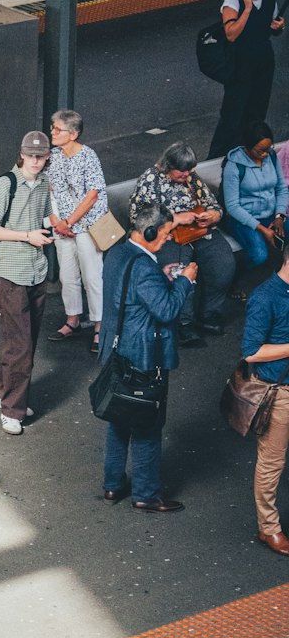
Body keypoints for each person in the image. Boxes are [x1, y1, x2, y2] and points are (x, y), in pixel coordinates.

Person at [98, 203, 197, 513]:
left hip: (115, 352)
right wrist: (185, 281)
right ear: (151, 232)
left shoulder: (117, 253)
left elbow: (134, 294)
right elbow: (166, 310)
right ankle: (146, 493)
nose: (169, 239)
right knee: (147, 426)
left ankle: (113, 485)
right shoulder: (143, 267)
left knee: (118, 419)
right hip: (142, 357)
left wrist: (163, 276)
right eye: (166, 234)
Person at [0, 132, 55, 435]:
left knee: (23, 339)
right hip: (10, 272)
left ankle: (3, 392)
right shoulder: (4, 185)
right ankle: (13, 410)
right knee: (20, 344)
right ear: (21, 155)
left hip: (36, 270)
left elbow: (45, 217)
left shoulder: (45, 184)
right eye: (31, 155)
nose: (36, 161)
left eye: (41, 156)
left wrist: (53, 227)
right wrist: (27, 236)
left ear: (47, 156)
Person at [130, 142, 235, 345]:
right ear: (168, 165)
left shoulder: (191, 178)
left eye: (190, 171)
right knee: (179, 272)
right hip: (168, 237)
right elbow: (138, 219)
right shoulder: (150, 181)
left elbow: (212, 203)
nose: (187, 175)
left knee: (223, 264)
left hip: (199, 231)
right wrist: (175, 219)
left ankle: (207, 313)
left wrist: (212, 215)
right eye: (182, 171)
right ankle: (183, 323)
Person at [46, 109, 109, 354]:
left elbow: (92, 194)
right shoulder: (53, 156)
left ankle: (99, 325)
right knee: (68, 275)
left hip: (86, 226)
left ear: (73, 134)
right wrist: (56, 220)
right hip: (62, 225)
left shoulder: (88, 156)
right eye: (53, 127)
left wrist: (69, 221)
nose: (52, 132)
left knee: (92, 276)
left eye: (57, 129)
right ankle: (72, 319)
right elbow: (48, 189)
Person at [241, 244, 289, 555]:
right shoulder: (265, 297)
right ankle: (268, 528)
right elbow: (251, 352)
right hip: (279, 391)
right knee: (272, 462)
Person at [208, 0, 285, 159]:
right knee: (233, 113)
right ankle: (216, 156)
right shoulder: (233, 2)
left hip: (263, 63)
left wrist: (278, 27)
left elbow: (268, 28)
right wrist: (248, 9)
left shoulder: (270, 1)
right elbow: (231, 34)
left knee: (257, 110)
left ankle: (248, 151)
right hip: (240, 65)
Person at [221, 120, 288, 272]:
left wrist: (279, 216)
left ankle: (283, 272)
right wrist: (262, 229)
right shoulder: (234, 166)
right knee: (258, 255)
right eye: (260, 151)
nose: (264, 154)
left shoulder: (271, 157)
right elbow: (232, 207)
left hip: (269, 215)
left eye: (268, 149)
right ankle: (235, 278)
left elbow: (281, 188)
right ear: (248, 146)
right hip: (243, 220)